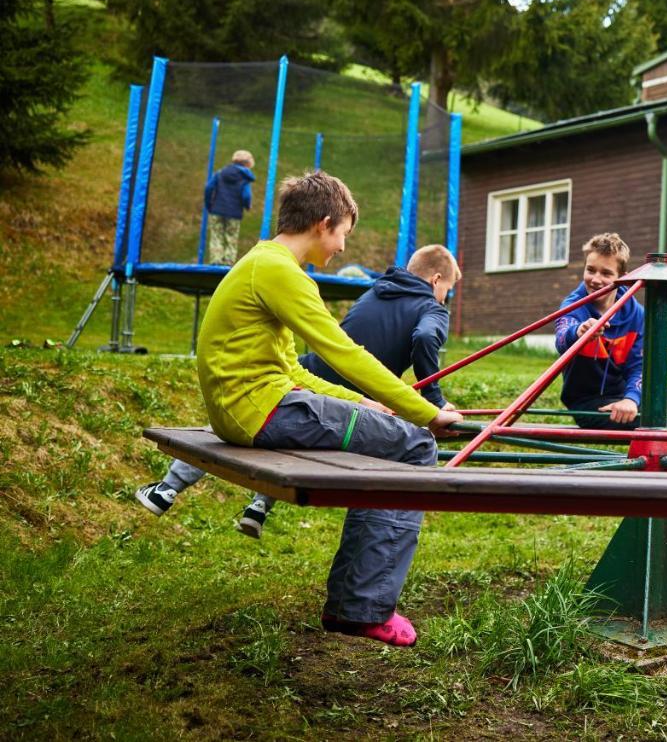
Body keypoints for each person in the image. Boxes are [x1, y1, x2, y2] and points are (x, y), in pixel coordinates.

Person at [142, 170, 461, 647]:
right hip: (265, 412)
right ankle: (362, 608)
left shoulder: (261, 263)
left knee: (394, 436)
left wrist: (364, 402)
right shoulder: (282, 273)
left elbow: (293, 369)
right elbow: (343, 352)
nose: (342, 248)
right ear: (323, 224)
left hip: (250, 409)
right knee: (415, 447)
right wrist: (426, 413)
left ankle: (358, 602)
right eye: (343, 235)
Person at [135, 243, 462, 540]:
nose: (446, 297)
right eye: (448, 289)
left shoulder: (377, 291)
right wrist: (433, 402)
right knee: (300, 423)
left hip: (315, 372)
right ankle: (260, 505)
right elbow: (423, 339)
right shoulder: (431, 308)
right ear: (435, 280)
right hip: (350, 385)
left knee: (269, 418)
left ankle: (172, 488)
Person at [554, 232, 667, 564]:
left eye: (605, 273)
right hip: (591, 402)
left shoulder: (636, 314)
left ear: (621, 277)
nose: (595, 279)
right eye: (590, 270)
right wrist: (579, 333)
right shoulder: (574, 305)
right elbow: (562, 336)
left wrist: (631, 399)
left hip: (629, 395)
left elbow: (640, 366)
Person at [203, 149, 256, 265]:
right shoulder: (244, 178)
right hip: (234, 212)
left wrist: (209, 204)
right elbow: (246, 195)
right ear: (247, 164)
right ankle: (228, 262)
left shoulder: (220, 173)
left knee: (216, 235)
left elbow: (208, 188)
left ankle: (216, 261)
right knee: (231, 237)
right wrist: (247, 206)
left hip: (217, 209)